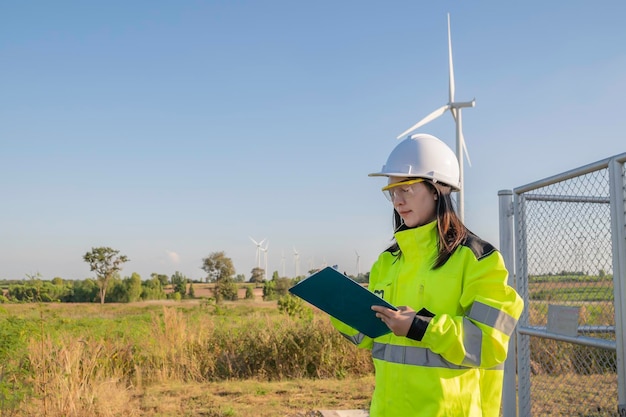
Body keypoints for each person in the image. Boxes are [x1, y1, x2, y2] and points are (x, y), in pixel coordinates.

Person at [331, 133, 524, 417]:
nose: (397, 201)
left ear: (437, 190)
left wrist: (421, 327)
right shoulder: (387, 262)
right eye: (391, 192)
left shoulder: (478, 260)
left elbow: (490, 343)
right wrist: (338, 304)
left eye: (405, 189)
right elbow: (368, 337)